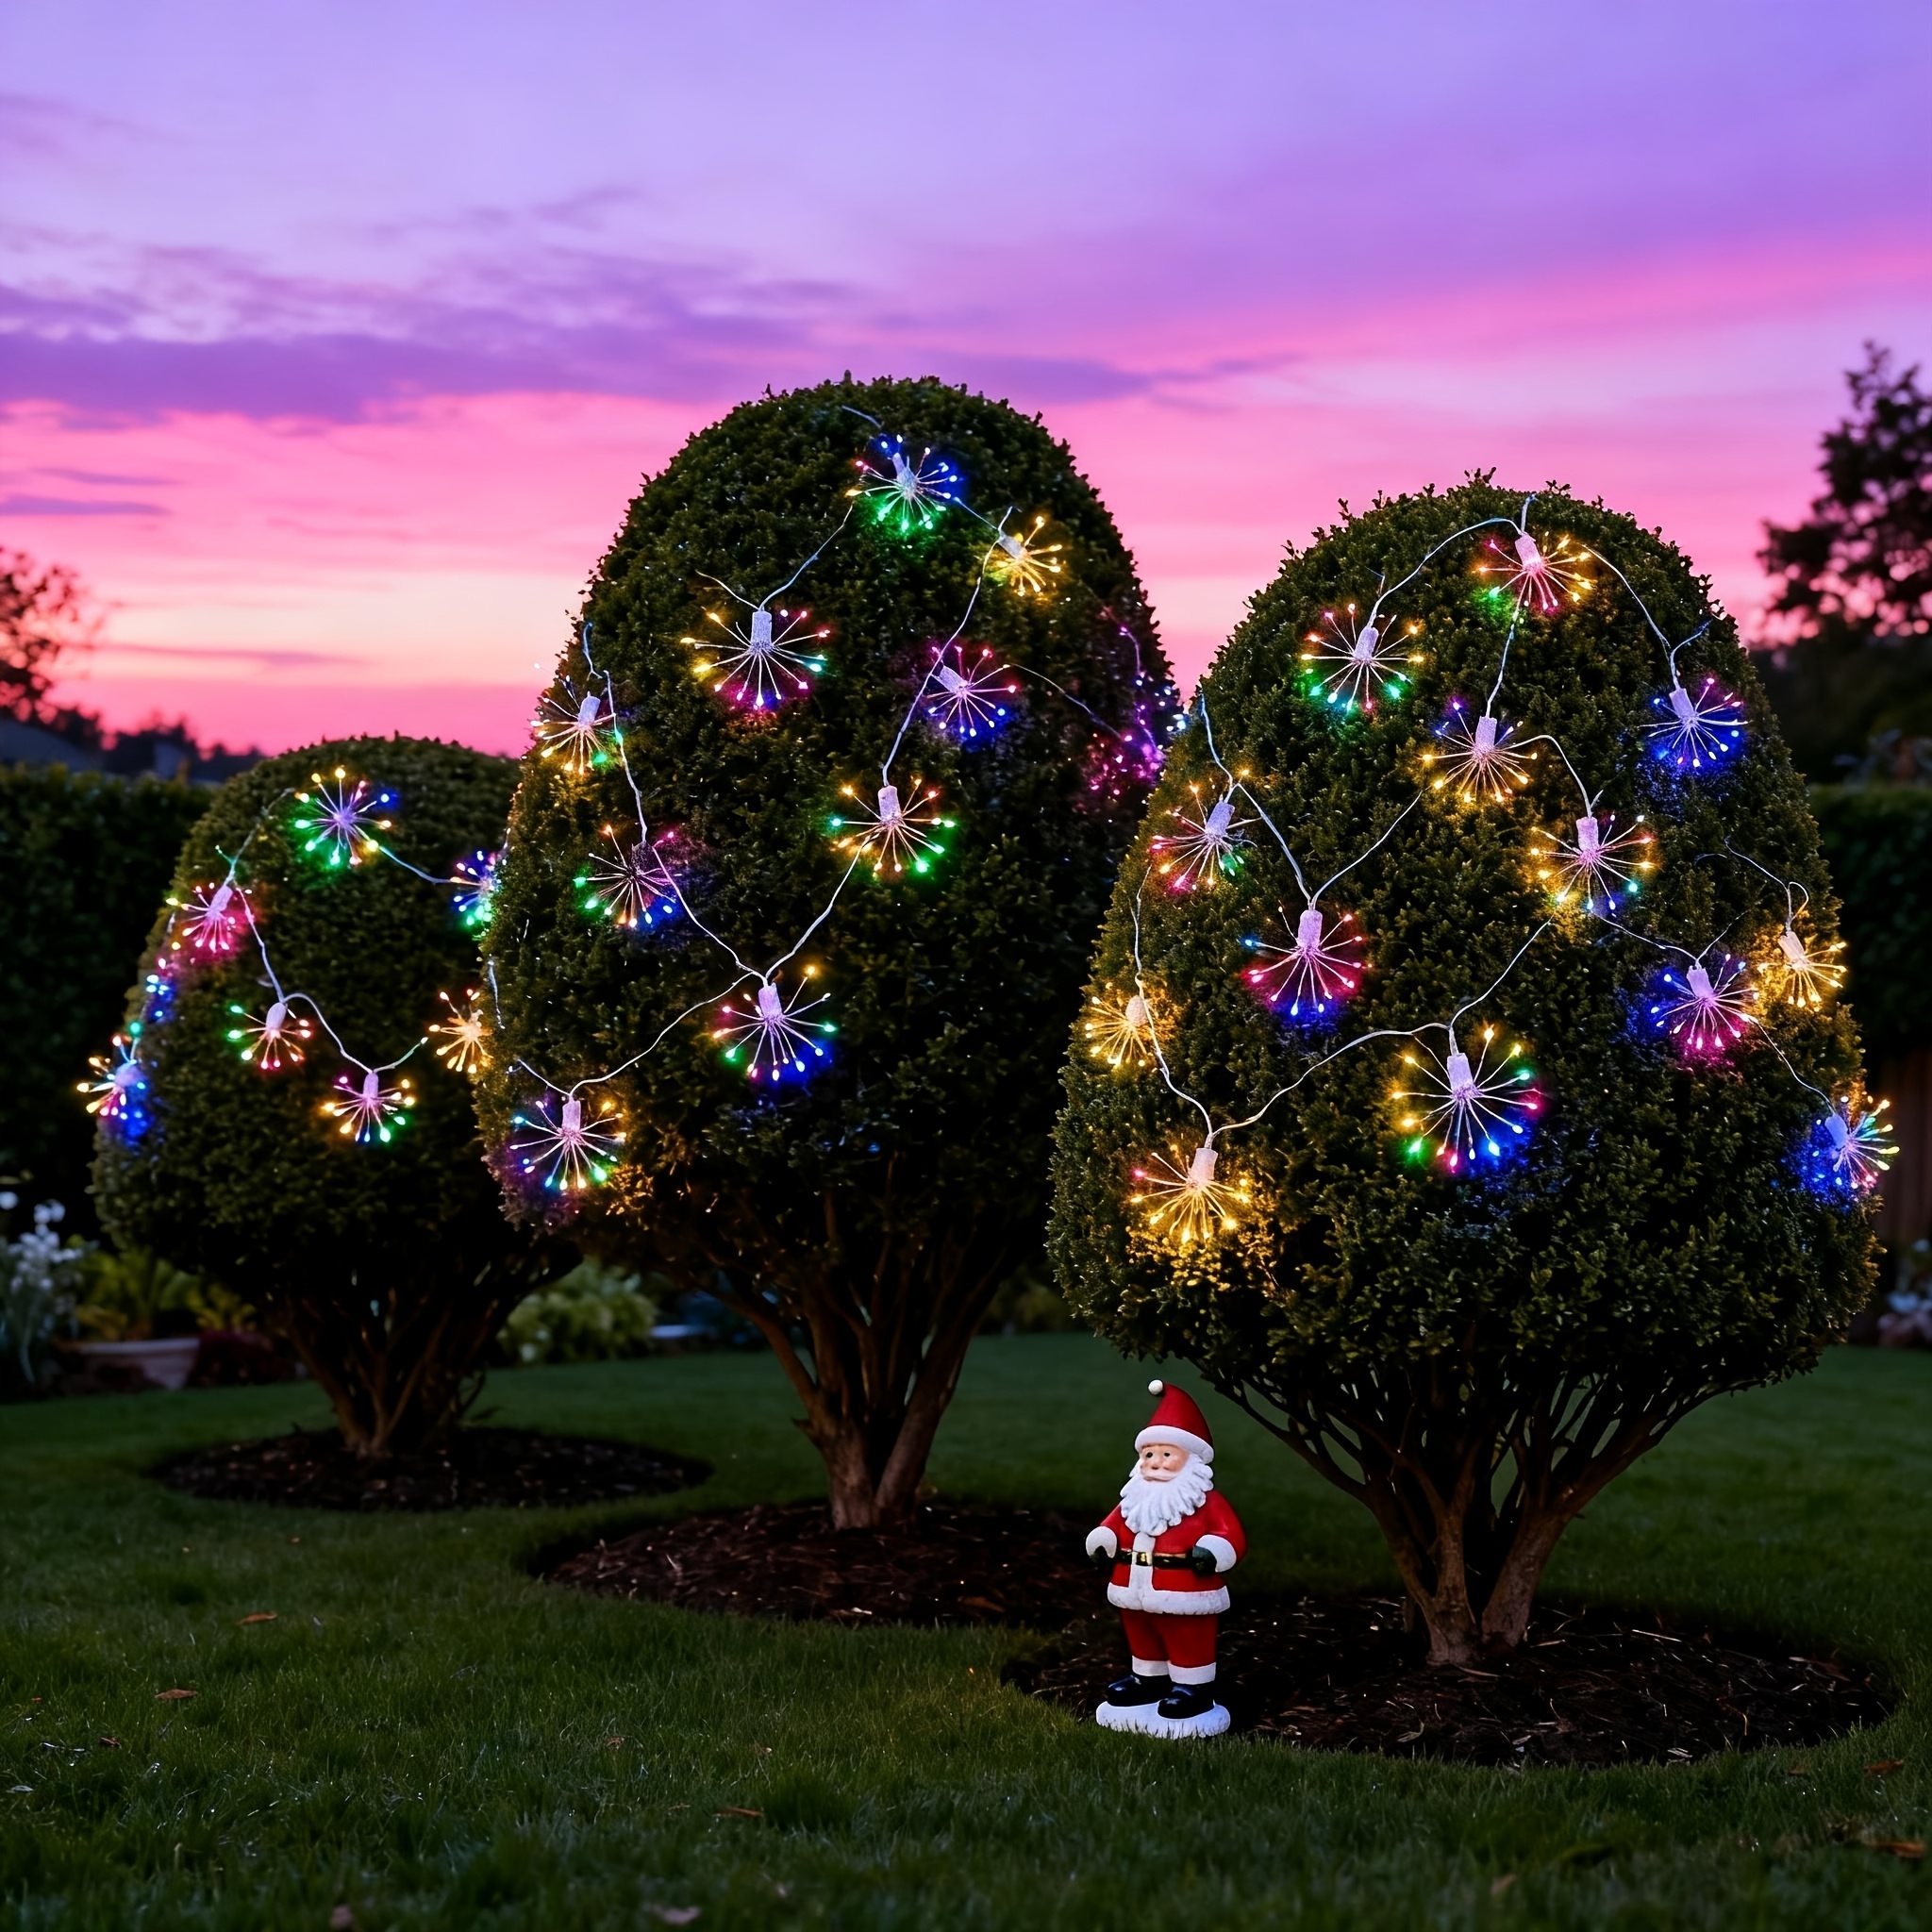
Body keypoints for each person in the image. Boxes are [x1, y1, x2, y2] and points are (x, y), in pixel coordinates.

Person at [1085, 1378, 1244, 1737]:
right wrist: (1104, 1539)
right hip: (1132, 1586)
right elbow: (1113, 1524)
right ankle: (1147, 1679)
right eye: (1148, 1455)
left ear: (1191, 1461)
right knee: (1141, 1632)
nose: (1155, 1463)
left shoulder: (1204, 1501)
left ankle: (1193, 1686)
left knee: (1186, 1635)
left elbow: (1230, 1534)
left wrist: (1215, 1550)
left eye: (1167, 1454)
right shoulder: (1134, 1499)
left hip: (1185, 1589)